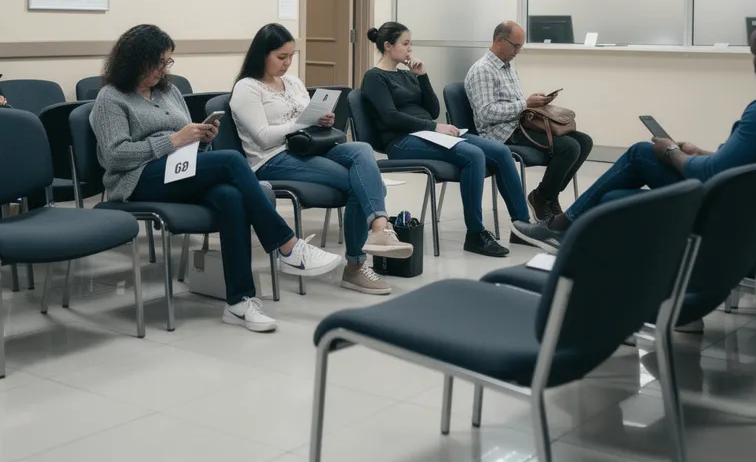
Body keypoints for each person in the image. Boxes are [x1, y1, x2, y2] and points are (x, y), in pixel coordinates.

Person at [513, 12, 756, 281]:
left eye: (755, 54)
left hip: (741, 221)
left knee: (641, 154)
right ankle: (566, 229)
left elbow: (711, 175)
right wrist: (701, 151)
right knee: (614, 197)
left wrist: (671, 152)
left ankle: (563, 230)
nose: (753, 64)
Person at [90, 24, 341, 333]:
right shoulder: (110, 98)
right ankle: (286, 245)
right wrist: (173, 141)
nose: (162, 69)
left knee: (230, 197)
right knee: (232, 161)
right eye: (157, 62)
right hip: (137, 179)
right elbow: (115, 156)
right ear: (135, 60)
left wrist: (202, 138)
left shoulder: (168, 91)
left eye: (167, 62)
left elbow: (186, 138)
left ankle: (239, 302)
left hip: (181, 167)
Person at [230, 24, 412, 296]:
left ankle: (378, 228)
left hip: (308, 146)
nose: (287, 63)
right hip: (272, 157)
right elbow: (264, 138)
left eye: (291, 56)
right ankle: (356, 265)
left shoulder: (292, 82)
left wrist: (321, 120)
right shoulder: (247, 89)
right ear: (261, 54)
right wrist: (299, 124)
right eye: (281, 57)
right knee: (362, 185)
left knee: (361, 150)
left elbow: (307, 121)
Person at [361, 21, 532, 258]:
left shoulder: (407, 74)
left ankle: (522, 225)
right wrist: (434, 127)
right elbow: (390, 117)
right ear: (388, 46)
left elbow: (431, 109)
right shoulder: (374, 77)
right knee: (473, 155)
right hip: (401, 141)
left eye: (411, 43)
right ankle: (475, 233)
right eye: (406, 43)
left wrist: (422, 77)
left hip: (428, 133)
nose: (410, 49)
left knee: (500, 152)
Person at [466, 20, 593, 223]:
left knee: (584, 141)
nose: (518, 51)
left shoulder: (508, 67)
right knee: (568, 147)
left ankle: (548, 196)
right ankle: (543, 197)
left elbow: (516, 104)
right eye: (515, 46)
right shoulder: (483, 70)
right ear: (499, 41)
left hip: (520, 126)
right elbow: (485, 114)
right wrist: (525, 104)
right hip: (502, 134)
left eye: (520, 46)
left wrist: (533, 103)